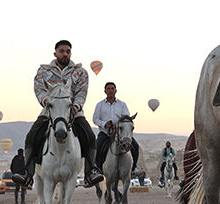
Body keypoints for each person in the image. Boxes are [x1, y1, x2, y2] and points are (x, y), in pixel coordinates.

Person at [24, 40, 104, 185]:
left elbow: (81, 92)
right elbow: (39, 89)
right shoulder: (44, 71)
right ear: (55, 53)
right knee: (31, 136)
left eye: (68, 51)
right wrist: (46, 101)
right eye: (62, 51)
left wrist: (76, 106)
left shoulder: (80, 72)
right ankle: (27, 174)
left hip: (73, 112)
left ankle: (90, 172)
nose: (65, 54)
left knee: (90, 136)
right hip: (50, 111)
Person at [92, 81, 141, 183]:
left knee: (135, 146)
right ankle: (97, 169)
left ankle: (133, 168)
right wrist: (105, 124)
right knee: (98, 145)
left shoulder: (122, 105)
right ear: (105, 91)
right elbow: (95, 119)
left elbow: (126, 117)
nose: (110, 90)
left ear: (116, 91)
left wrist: (117, 124)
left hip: (120, 133)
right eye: (108, 88)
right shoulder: (100, 105)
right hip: (105, 132)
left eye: (112, 88)